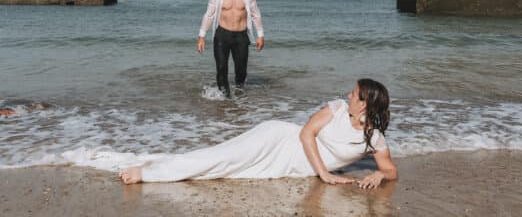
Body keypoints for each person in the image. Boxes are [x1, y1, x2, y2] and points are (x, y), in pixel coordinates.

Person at [119, 79, 397, 189]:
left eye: (354, 94)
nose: (348, 95)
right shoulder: (336, 109)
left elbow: (391, 170)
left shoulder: (373, 139)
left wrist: (379, 174)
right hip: (278, 141)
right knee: (220, 159)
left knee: (225, 170)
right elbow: (306, 135)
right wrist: (324, 174)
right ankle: (146, 173)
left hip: (291, 166)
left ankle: (157, 166)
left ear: (364, 104)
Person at [197, 0, 264, 97]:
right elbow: (209, 15)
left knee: (241, 71)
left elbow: (255, 13)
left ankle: (239, 95)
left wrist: (260, 35)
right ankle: (225, 100)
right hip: (222, 34)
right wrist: (201, 36)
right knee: (221, 68)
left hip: (241, 35)